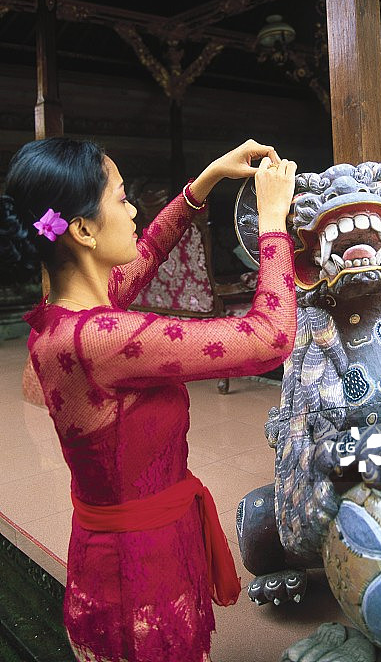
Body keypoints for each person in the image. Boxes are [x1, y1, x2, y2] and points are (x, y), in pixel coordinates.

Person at [0, 137, 297, 662]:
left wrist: (204, 182)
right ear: (84, 230)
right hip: (135, 577)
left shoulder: (67, 313)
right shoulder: (104, 340)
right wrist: (273, 221)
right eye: (121, 197)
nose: (134, 209)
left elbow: (151, 248)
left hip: (139, 546)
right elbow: (270, 336)